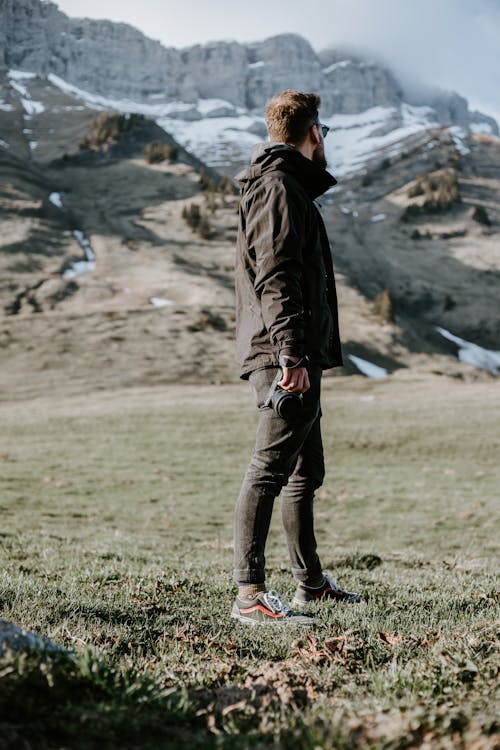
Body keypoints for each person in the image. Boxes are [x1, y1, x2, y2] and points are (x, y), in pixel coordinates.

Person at [232, 90, 360, 625]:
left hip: (296, 353)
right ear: (313, 133)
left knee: (306, 471)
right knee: (270, 468)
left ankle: (309, 583)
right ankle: (249, 594)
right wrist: (289, 353)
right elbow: (277, 274)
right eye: (323, 133)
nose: (324, 141)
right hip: (284, 355)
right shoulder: (281, 188)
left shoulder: (284, 188)